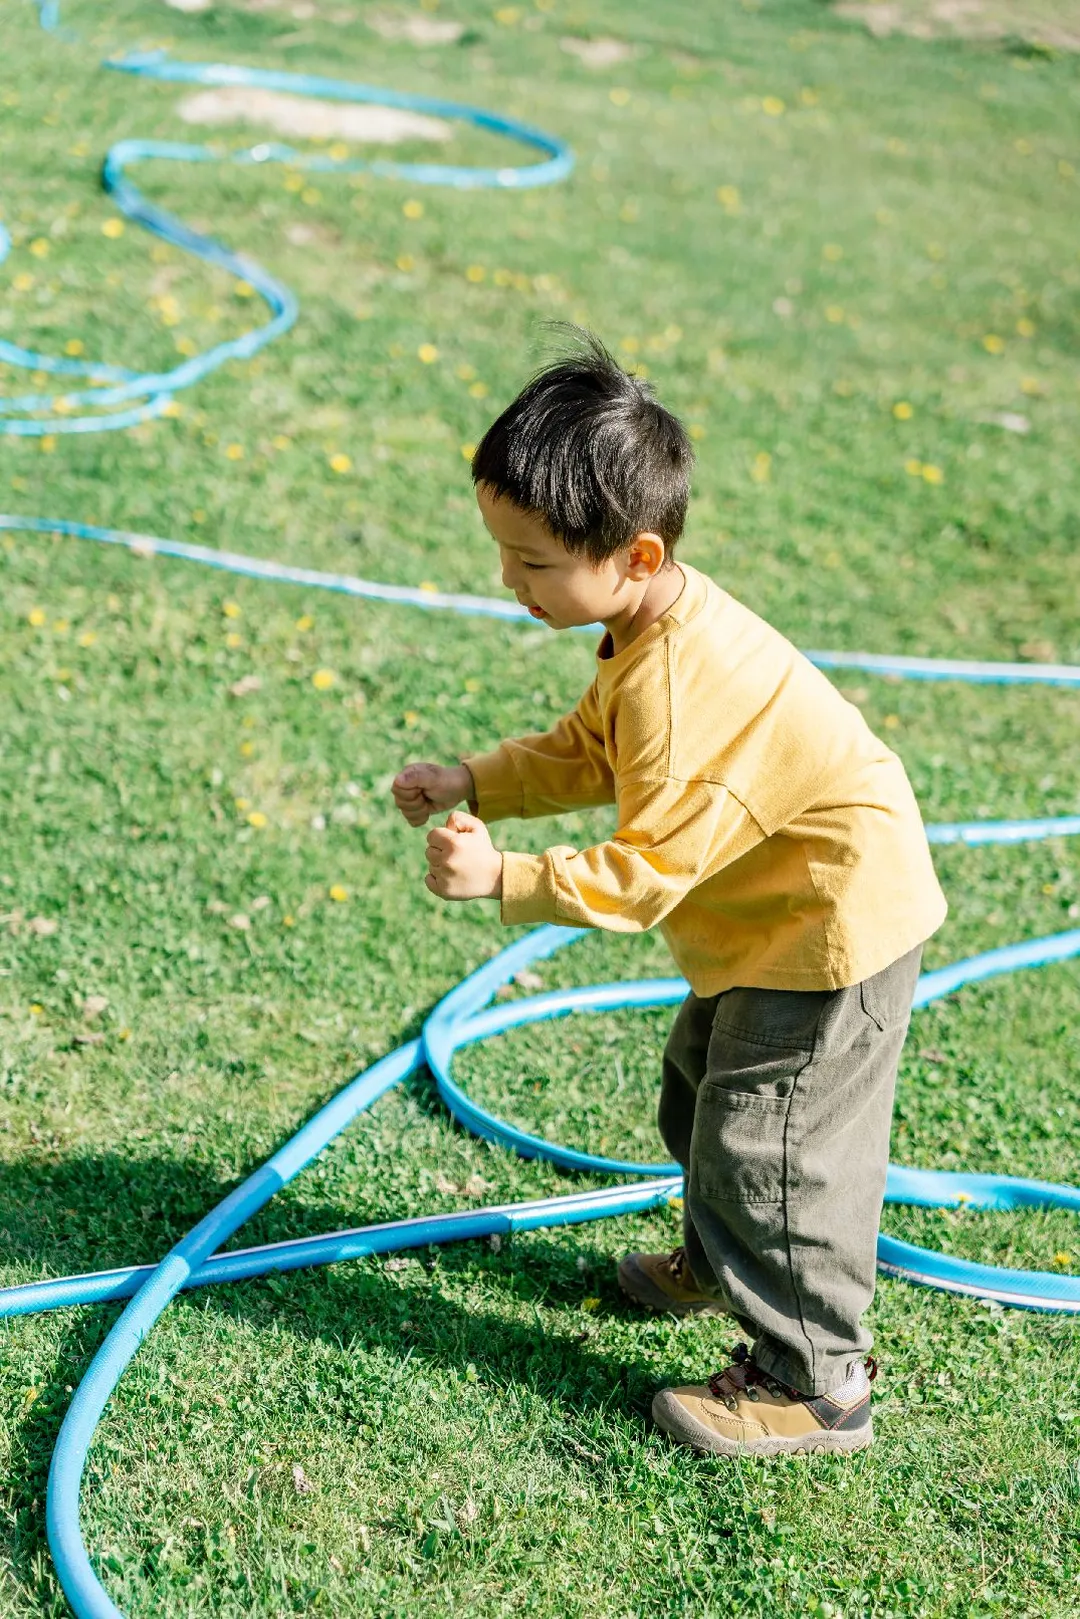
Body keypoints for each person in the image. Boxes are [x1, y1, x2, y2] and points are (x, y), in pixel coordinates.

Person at [390, 325, 948, 1458]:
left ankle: (818, 1380)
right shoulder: (642, 634)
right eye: (503, 551)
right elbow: (594, 751)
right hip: (769, 921)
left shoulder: (688, 689)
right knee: (700, 1089)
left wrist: (507, 875)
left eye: (534, 562)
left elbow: (645, 873)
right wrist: (480, 782)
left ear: (635, 556)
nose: (511, 581)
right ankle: (716, 1259)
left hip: (833, 925)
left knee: (770, 1146)